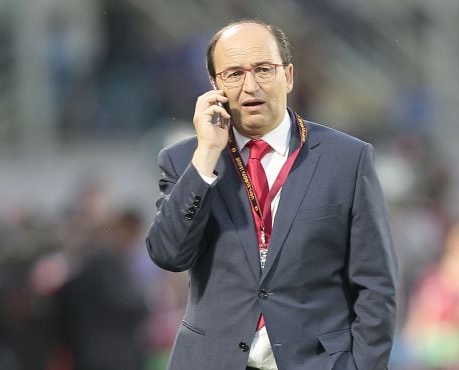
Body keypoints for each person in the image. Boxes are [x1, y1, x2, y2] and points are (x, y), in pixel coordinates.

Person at [146, 19, 397, 370]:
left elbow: (376, 284)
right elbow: (168, 254)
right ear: (215, 86)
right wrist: (205, 157)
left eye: (263, 69)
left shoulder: (347, 159)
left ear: (289, 76)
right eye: (233, 74)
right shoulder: (185, 160)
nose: (250, 86)